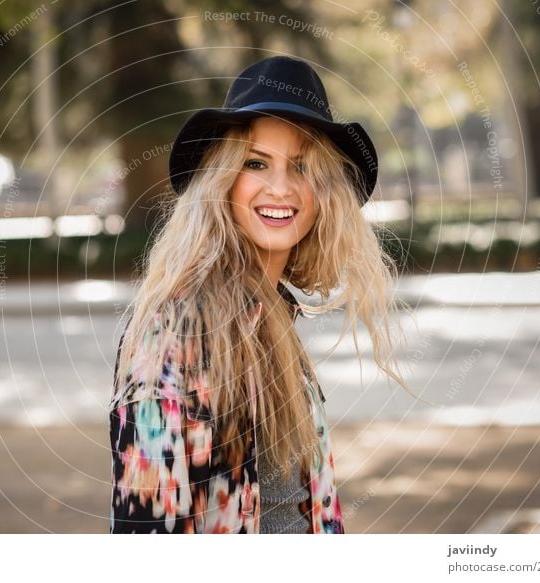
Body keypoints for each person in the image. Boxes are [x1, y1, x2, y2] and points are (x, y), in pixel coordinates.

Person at [109, 55, 414, 534]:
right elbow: (146, 529)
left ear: (326, 193)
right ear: (223, 181)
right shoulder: (183, 325)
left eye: (302, 167)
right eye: (256, 163)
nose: (281, 187)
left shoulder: (270, 311)